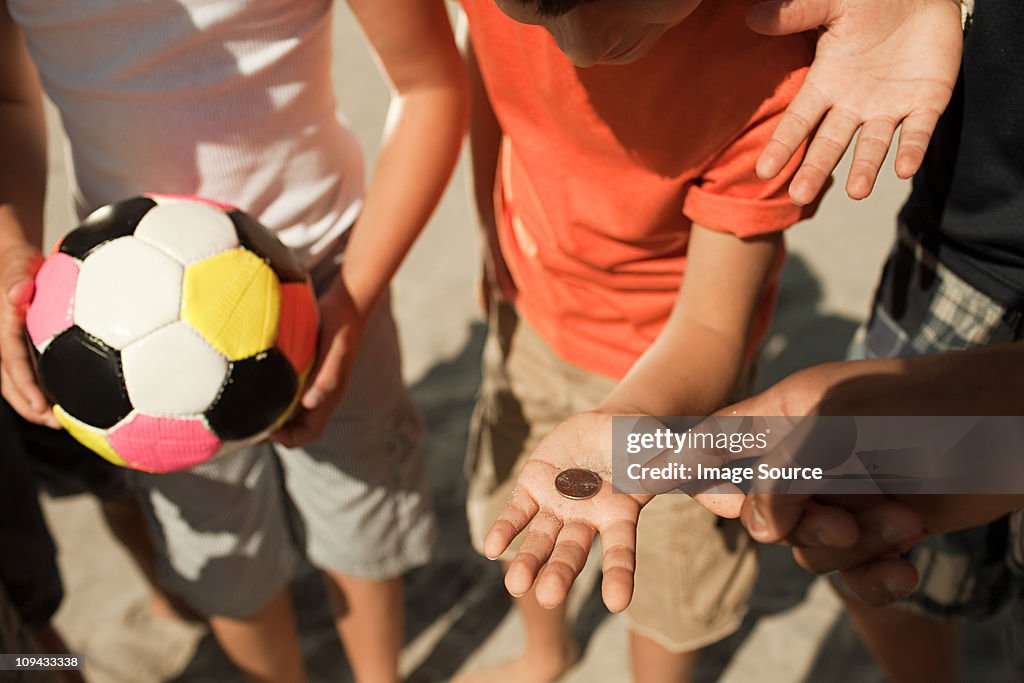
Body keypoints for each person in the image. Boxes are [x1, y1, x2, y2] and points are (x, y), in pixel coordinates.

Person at [0, 2, 467, 682]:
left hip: (331, 276)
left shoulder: (340, 289)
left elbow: (430, 84)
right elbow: (9, 98)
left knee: (360, 504)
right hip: (112, 323)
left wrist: (354, 300)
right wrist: (9, 245)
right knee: (222, 555)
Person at [457, 1, 820, 681]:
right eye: (537, 17)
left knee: (670, 580)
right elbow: (487, 75)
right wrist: (487, 223)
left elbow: (711, 327)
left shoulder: (775, 72)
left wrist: (629, 418)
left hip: (674, 380)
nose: (580, 49)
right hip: (531, 313)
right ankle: (546, 652)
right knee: (527, 519)